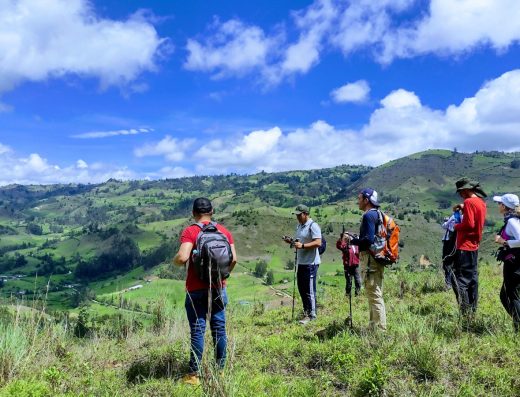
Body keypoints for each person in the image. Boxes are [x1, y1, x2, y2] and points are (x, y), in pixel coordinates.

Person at [173, 198, 237, 385]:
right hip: (218, 288)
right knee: (219, 329)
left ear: (194, 213)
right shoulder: (224, 231)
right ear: (212, 211)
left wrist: (175, 261)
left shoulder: (191, 231)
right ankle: (221, 371)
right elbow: (233, 259)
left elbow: (183, 257)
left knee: (198, 330)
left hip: (195, 289)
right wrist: (223, 276)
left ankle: (194, 375)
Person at [346, 188, 387, 331]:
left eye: (359, 198)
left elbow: (368, 240)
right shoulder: (378, 214)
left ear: (366, 200)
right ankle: (373, 326)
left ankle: (380, 330)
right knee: (374, 292)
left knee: (374, 294)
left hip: (370, 259)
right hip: (377, 258)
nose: (358, 201)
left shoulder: (368, 216)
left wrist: (352, 241)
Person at [451, 178, 487, 316]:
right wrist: (462, 206)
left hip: (465, 245)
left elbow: (469, 224)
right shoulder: (480, 202)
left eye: (461, 192)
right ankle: (473, 309)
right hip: (474, 245)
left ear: (465, 190)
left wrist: (456, 226)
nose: (460, 195)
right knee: (472, 278)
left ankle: (464, 312)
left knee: (461, 281)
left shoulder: (469, 202)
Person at [284, 204, 322, 325]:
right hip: (302, 262)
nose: (297, 217)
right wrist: (290, 241)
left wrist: (303, 246)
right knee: (302, 288)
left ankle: (312, 314)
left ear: (305, 214)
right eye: (296, 215)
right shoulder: (299, 226)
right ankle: (306, 311)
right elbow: (298, 242)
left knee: (309, 289)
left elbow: (318, 242)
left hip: (311, 263)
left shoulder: (313, 226)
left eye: (299, 215)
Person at [493, 193, 520, 331]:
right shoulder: (513, 219)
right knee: (506, 295)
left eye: (500, 203)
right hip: (515, 263)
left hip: (514, 264)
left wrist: (504, 242)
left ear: (504, 206)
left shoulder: (512, 221)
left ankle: (518, 327)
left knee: (511, 295)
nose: (498, 206)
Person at [441, 209, 461, 290]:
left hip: (449, 242)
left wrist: (447, 221)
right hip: (458, 243)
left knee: (447, 261)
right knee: (455, 263)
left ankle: (448, 283)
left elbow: (444, 226)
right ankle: (454, 283)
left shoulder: (453, 217)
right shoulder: (462, 218)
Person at [336, 232, 361, 296]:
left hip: (356, 265)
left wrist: (351, 234)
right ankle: (347, 296)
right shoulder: (345, 245)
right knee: (349, 282)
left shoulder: (357, 245)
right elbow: (338, 245)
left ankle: (357, 295)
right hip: (347, 266)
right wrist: (342, 238)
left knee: (358, 281)